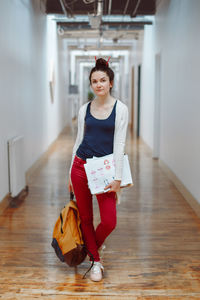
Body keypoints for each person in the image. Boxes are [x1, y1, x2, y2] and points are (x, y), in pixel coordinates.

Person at [68, 57, 128, 282]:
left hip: (104, 169)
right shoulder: (85, 109)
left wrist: (118, 177)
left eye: (103, 80)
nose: (99, 84)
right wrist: (69, 174)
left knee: (109, 220)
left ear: (111, 82)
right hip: (81, 166)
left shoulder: (120, 109)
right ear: (91, 84)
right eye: (94, 81)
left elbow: (120, 144)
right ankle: (96, 260)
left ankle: (88, 249)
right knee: (85, 218)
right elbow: (77, 141)